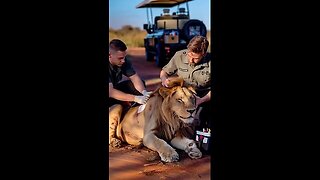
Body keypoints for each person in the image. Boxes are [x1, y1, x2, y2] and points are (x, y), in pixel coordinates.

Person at [159, 35, 211, 134]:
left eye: (195, 58)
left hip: (204, 97)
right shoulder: (179, 55)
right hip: (184, 96)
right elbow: (164, 72)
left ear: (203, 54)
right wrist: (164, 79)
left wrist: (201, 100)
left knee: (203, 121)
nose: (191, 60)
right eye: (189, 55)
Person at [108, 39, 152, 108]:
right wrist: (135, 98)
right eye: (120, 58)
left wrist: (144, 93)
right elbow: (110, 92)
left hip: (112, 90)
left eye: (124, 57)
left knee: (139, 85)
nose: (123, 61)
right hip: (110, 92)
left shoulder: (123, 61)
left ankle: (135, 112)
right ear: (109, 55)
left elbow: (135, 78)